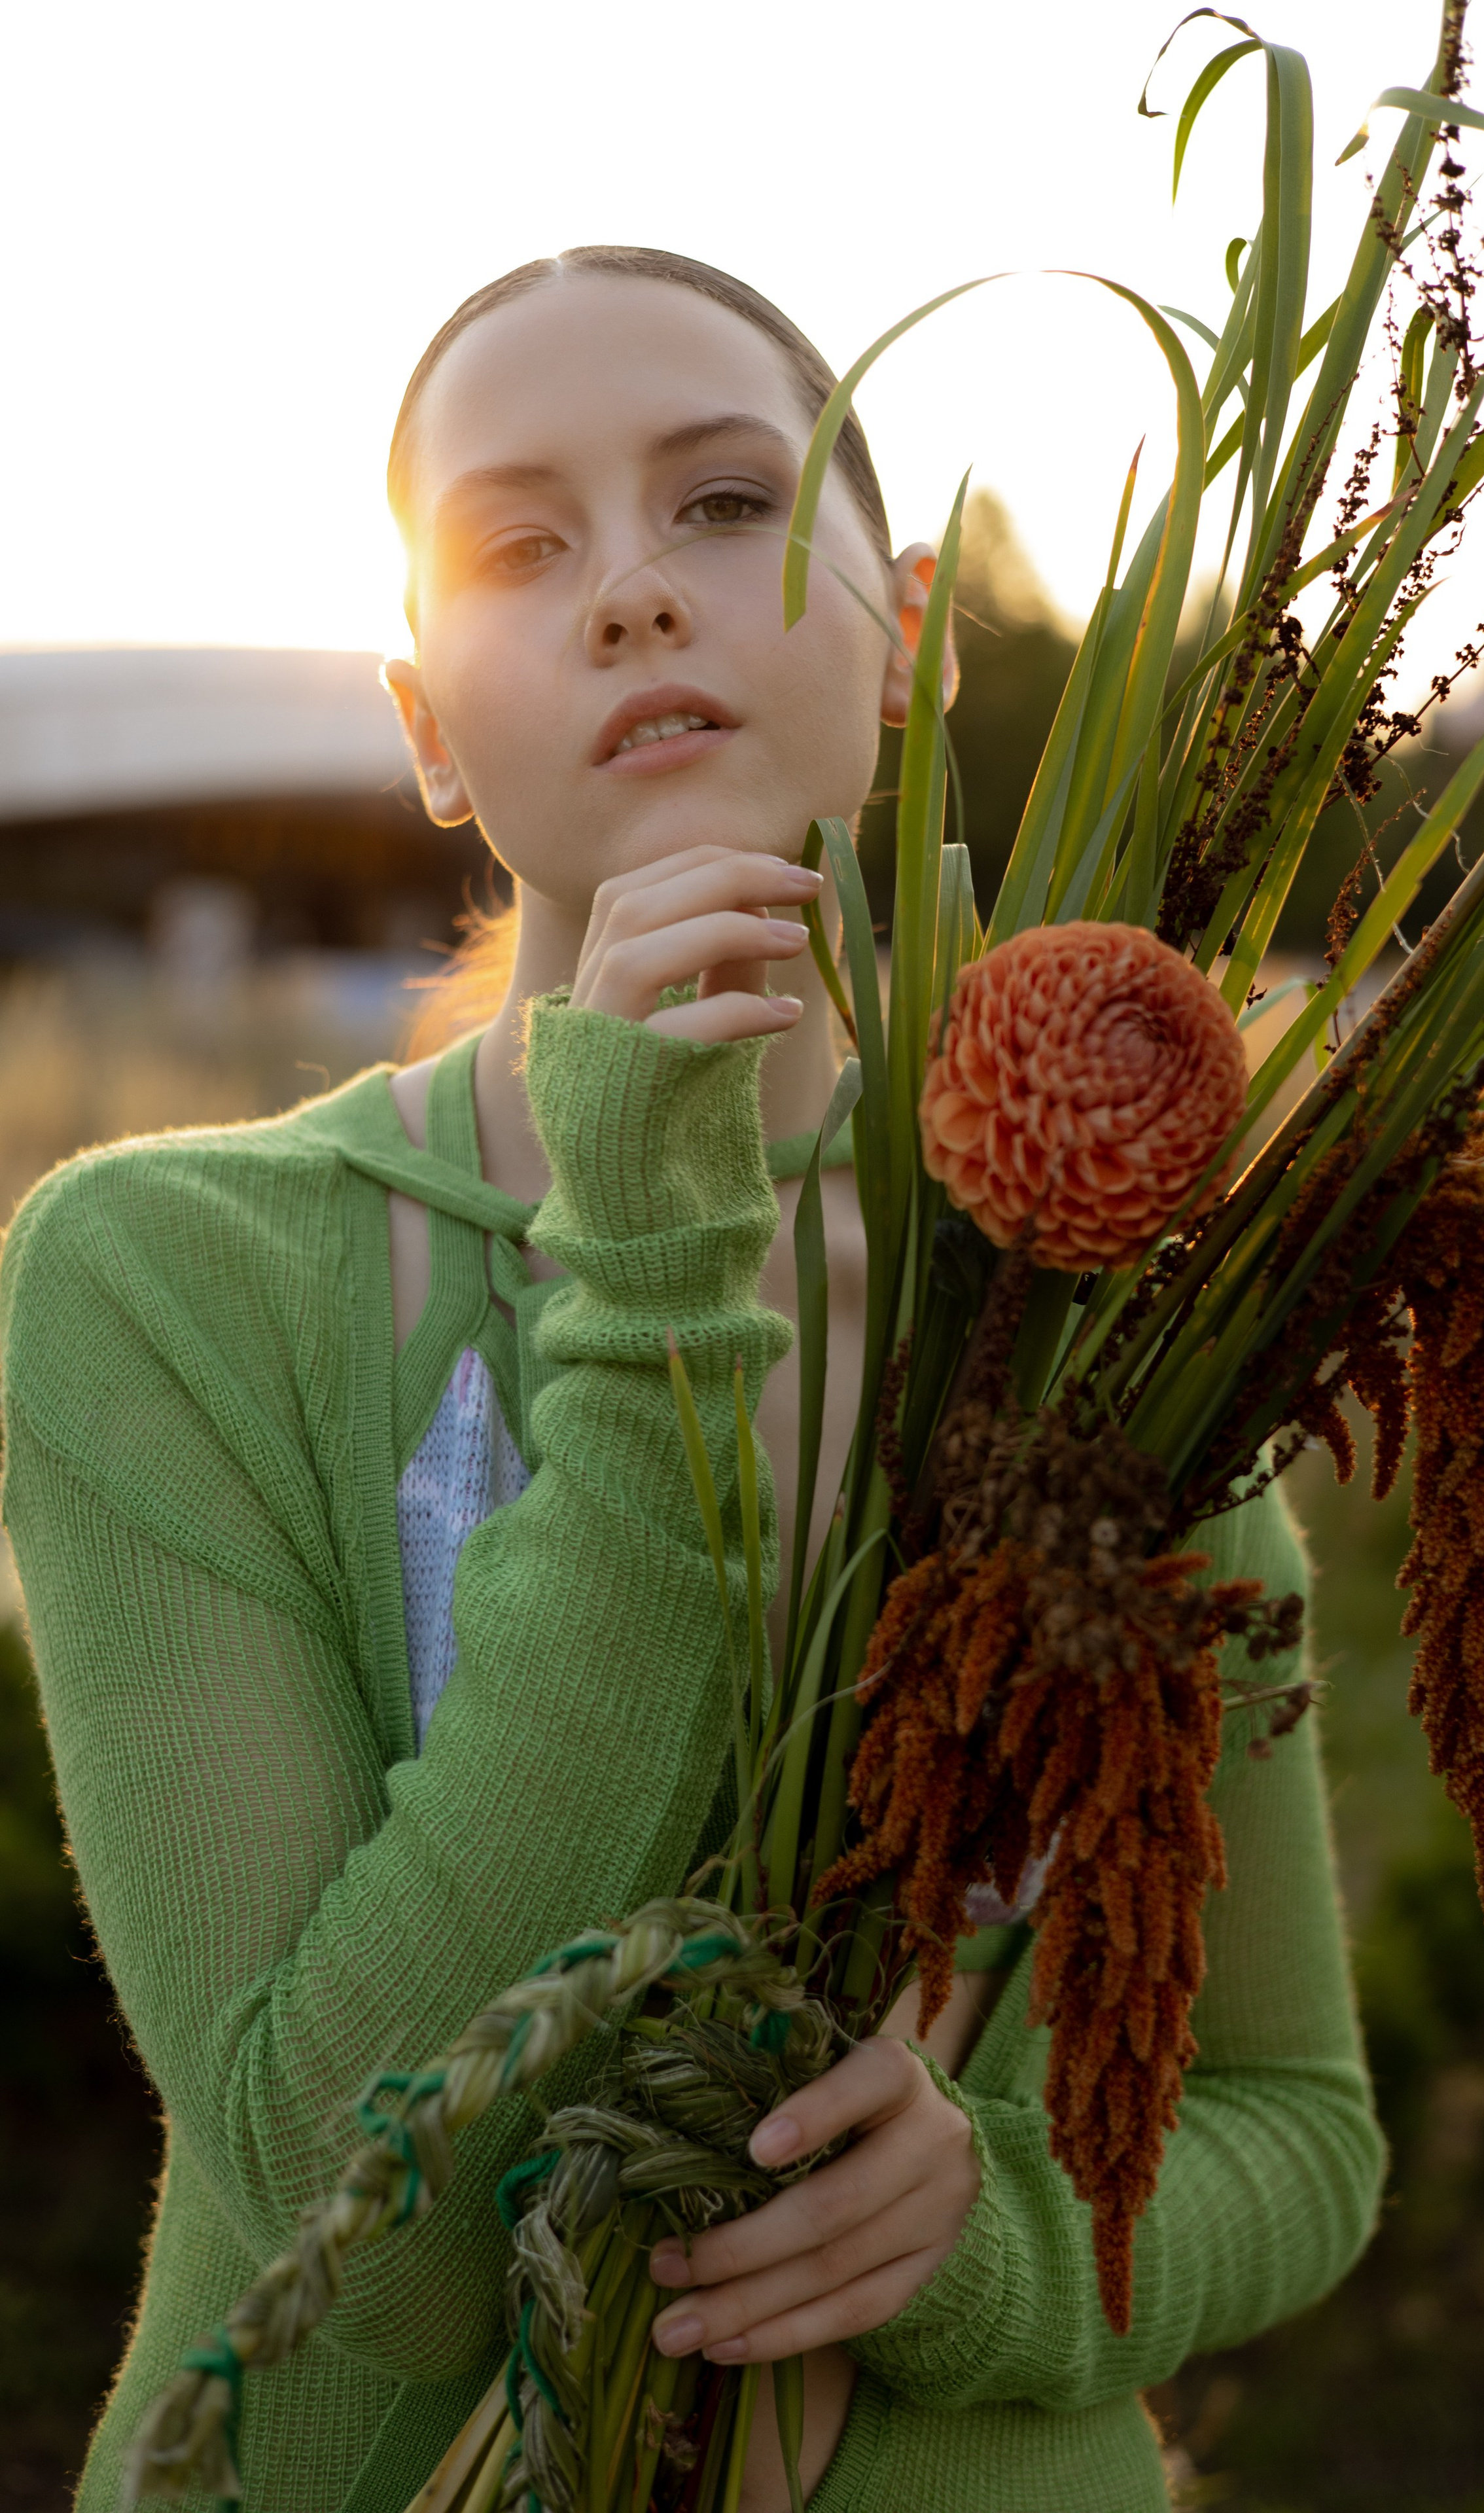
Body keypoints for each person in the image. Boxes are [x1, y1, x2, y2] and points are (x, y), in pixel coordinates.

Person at [0, 249, 1384, 2513]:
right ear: (431, 728)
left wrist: (992, 2239)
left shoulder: (1109, 1308)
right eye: (521, 545)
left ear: (909, 627)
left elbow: (1287, 2132)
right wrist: (654, 1272)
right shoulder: (164, 1277)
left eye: (728, 502)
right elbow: (315, 2161)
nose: (633, 590)